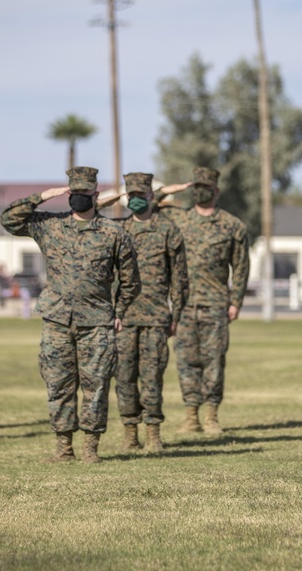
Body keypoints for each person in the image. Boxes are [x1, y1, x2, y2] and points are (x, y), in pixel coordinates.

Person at [0, 166, 140, 463]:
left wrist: (120, 310)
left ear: (95, 195)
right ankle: (64, 448)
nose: (78, 198)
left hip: (97, 322)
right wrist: (40, 196)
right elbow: (9, 220)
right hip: (57, 320)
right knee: (59, 384)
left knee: (97, 385)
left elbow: (131, 280)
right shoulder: (50, 225)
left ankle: (91, 448)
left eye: (84, 194)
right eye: (73, 193)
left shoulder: (114, 232)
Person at [157, 167, 250, 435]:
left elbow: (241, 267)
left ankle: (211, 416)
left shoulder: (232, 226)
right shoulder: (177, 219)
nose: (198, 191)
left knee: (213, 361)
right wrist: (171, 189)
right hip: (183, 305)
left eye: (204, 187)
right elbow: (145, 202)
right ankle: (190, 417)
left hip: (216, 305)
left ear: (216, 190)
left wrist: (236, 302)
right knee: (185, 361)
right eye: (195, 187)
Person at [113, 172, 188, 453]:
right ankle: (130, 433)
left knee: (152, 377)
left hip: (157, 317)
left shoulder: (168, 230)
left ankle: (154, 434)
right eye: (129, 196)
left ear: (151, 197)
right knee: (123, 377)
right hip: (124, 318)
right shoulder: (118, 230)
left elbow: (179, 278)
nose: (134, 200)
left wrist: (176, 315)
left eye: (139, 196)